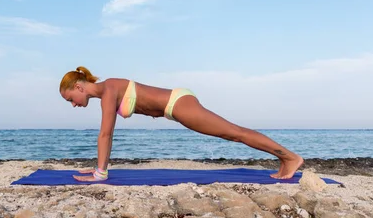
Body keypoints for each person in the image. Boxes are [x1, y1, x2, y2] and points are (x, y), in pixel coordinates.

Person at [59, 66, 304, 182]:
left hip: (177, 104)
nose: (73, 104)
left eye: (71, 99)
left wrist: (100, 173)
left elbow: (105, 134)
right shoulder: (107, 92)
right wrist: (96, 167)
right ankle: (286, 159)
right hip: (176, 105)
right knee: (234, 133)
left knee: (234, 133)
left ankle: (290, 157)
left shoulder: (109, 89)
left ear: (78, 87)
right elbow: (106, 134)